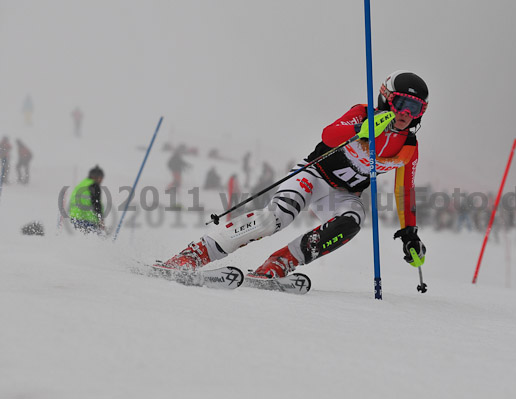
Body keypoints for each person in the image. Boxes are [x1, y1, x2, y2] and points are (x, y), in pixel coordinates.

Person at [160, 70, 429, 279]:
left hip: (343, 195)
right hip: (313, 174)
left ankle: (281, 262)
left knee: (352, 221)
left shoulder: (408, 148)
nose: (406, 113)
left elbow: (404, 190)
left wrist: (409, 233)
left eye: (414, 108)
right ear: (386, 97)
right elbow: (329, 135)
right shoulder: (362, 114)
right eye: (402, 103)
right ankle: (195, 253)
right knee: (276, 218)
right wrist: (362, 129)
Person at [69, 165, 105, 234]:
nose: (102, 180)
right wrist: (101, 220)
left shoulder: (82, 184)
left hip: (74, 218)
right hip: (86, 220)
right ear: (97, 177)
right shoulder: (94, 185)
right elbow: (96, 203)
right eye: (101, 177)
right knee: (97, 241)